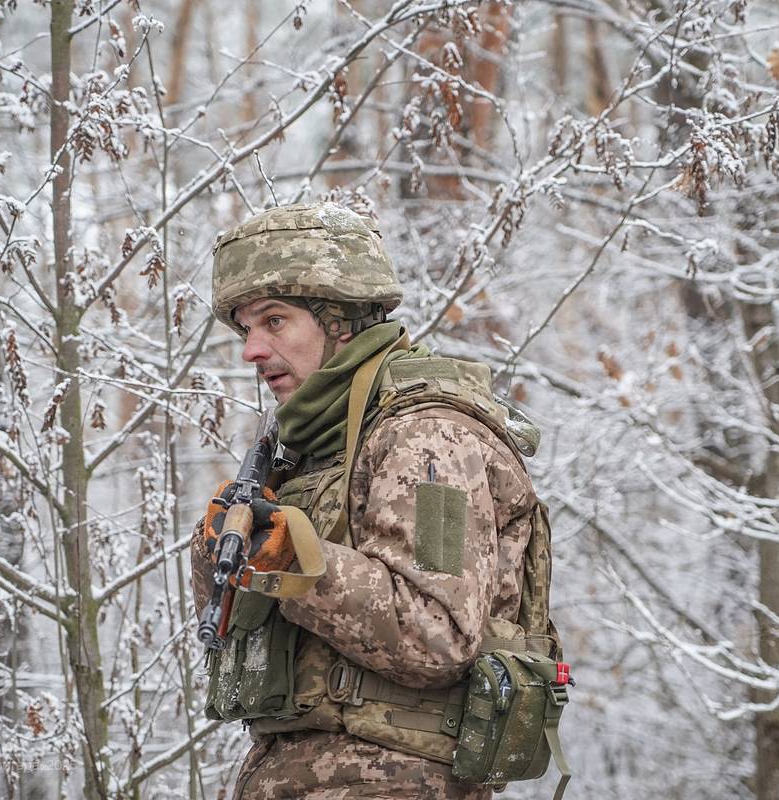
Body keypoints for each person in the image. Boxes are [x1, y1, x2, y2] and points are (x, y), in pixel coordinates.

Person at [190, 202, 565, 800]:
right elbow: (233, 631)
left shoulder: (425, 433)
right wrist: (219, 555)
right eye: (245, 328)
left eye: (274, 321)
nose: (251, 351)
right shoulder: (310, 446)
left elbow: (438, 633)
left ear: (339, 319)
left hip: (394, 780)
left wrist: (296, 563)